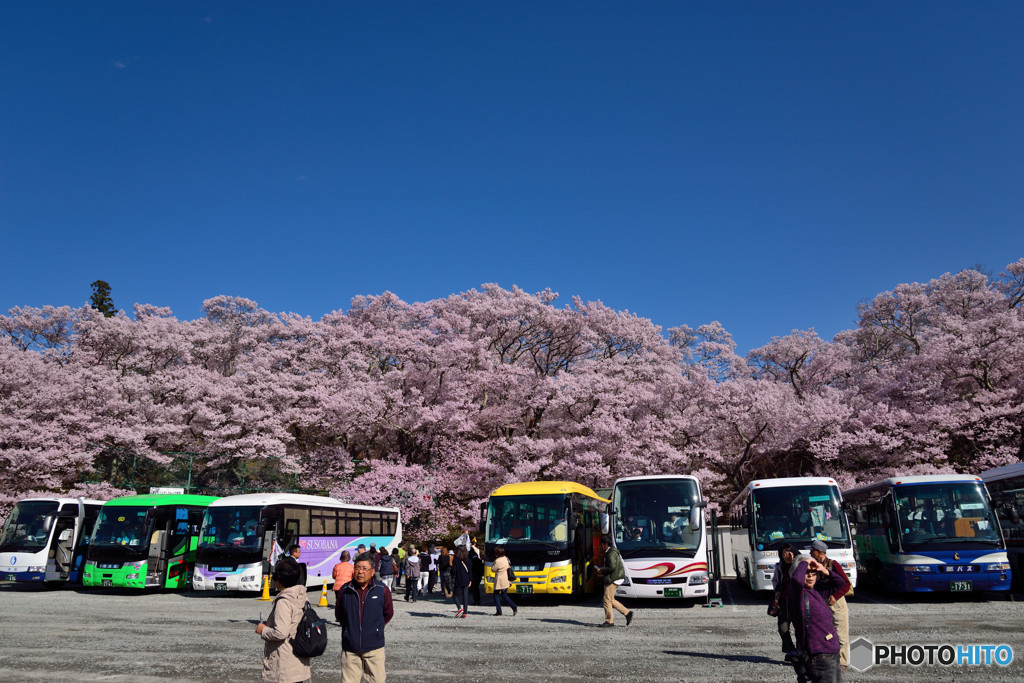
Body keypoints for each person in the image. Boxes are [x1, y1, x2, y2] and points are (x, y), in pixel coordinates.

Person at [337, 552, 394, 683]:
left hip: (374, 647)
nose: (360, 572)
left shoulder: (382, 590)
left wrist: (376, 629)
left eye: (364, 568)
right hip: (350, 647)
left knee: (377, 680)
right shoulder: (345, 590)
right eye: (357, 568)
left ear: (372, 571)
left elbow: (388, 613)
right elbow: (339, 614)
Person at [787, 557, 841, 683]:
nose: (810, 577)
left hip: (831, 651)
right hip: (818, 655)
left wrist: (823, 569)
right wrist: (805, 561)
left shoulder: (816, 591)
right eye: (806, 573)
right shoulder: (797, 594)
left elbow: (841, 583)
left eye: (813, 573)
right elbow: (796, 580)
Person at [256, 557, 310, 682]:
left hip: (284, 662)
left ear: (279, 579)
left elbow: (281, 632)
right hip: (299, 656)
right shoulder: (302, 596)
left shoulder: (284, 601)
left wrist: (263, 630)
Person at [808, 540, 852, 673]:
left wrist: (836, 595)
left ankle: (843, 662)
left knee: (840, 633)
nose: (810, 553)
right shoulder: (813, 565)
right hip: (821, 604)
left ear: (820, 552)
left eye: (812, 551)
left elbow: (846, 584)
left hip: (836, 603)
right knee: (824, 633)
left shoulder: (834, 565)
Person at [596, 535, 633, 627]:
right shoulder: (613, 552)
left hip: (613, 578)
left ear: (606, 544)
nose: (601, 546)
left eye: (602, 544)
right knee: (611, 599)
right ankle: (627, 613)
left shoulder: (610, 553)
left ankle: (609, 621)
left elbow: (611, 567)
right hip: (616, 577)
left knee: (606, 600)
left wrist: (601, 570)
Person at [770, 543, 798, 657]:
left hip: (797, 601)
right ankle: (790, 650)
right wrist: (777, 589)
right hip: (783, 600)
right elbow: (775, 580)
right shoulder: (779, 566)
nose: (786, 556)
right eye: (784, 553)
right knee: (783, 627)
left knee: (800, 628)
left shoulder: (799, 564)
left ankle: (802, 651)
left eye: (789, 552)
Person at [491, 545, 518, 617]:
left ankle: (499, 611)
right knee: (504, 595)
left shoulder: (497, 561)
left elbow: (493, 569)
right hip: (506, 580)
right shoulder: (506, 558)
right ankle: (513, 606)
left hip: (499, 580)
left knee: (496, 595)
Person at [451, 545, 472, 618]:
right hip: (466, 579)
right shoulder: (467, 559)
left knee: (455, 595)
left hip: (458, 579)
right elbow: (469, 570)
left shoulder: (455, 559)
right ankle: (465, 613)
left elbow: (454, 570)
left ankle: (459, 608)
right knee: (465, 597)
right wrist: (470, 579)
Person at [468, 541, 484, 605]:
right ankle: (478, 600)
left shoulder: (472, 561)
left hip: (474, 575)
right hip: (479, 576)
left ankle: (476, 601)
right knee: (476, 588)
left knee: (475, 589)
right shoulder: (479, 560)